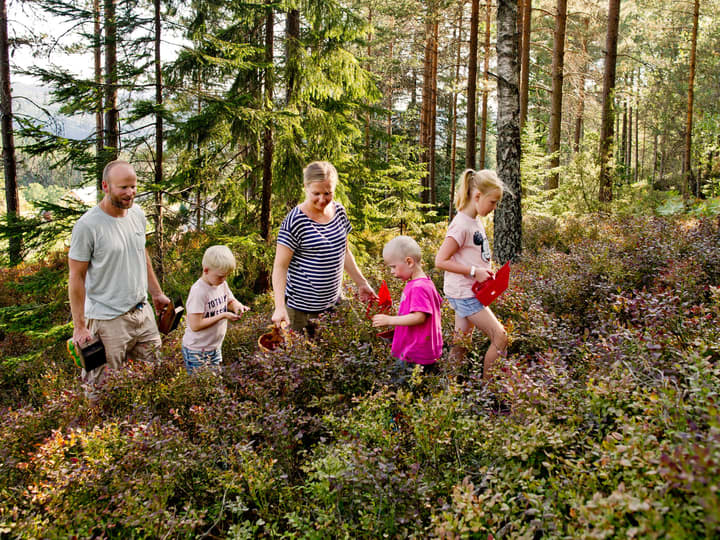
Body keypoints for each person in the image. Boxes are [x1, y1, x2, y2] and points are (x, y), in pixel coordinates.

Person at [68, 160, 170, 389]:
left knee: (153, 378)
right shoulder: (87, 226)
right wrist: (80, 326)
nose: (130, 193)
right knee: (101, 388)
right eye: (123, 187)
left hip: (142, 314)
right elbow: (76, 277)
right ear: (105, 186)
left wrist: (157, 293)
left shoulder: (137, 214)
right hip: (107, 321)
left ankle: (146, 424)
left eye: (133, 186)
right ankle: (98, 425)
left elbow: (141, 255)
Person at [271, 161, 376, 336]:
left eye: (328, 193)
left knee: (348, 347)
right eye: (316, 193)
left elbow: (344, 251)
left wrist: (362, 283)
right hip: (300, 311)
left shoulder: (339, 212)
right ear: (305, 187)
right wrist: (279, 306)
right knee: (301, 359)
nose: (322, 199)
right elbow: (280, 267)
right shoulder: (294, 221)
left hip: (333, 303)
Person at [434, 169, 509, 380]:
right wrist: (474, 271)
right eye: (492, 202)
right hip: (465, 294)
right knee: (500, 337)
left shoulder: (474, 220)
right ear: (477, 196)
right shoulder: (460, 225)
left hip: (467, 292)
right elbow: (440, 261)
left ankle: (449, 391)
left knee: (461, 344)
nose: (494, 208)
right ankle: (488, 391)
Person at [371, 236, 443, 384]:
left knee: (401, 391)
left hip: (414, 353)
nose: (391, 271)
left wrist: (390, 320)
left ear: (409, 262)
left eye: (393, 266)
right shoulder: (426, 283)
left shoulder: (418, 287)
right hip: (422, 349)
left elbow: (419, 317)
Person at [182, 245, 250, 373]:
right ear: (206, 270)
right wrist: (223, 315)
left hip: (214, 347)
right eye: (220, 276)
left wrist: (237, 307)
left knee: (216, 385)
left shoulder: (221, 284)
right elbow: (195, 325)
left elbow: (229, 300)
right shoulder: (198, 291)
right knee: (202, 389)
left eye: (226, 276)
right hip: (197, 351)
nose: (224, 279)